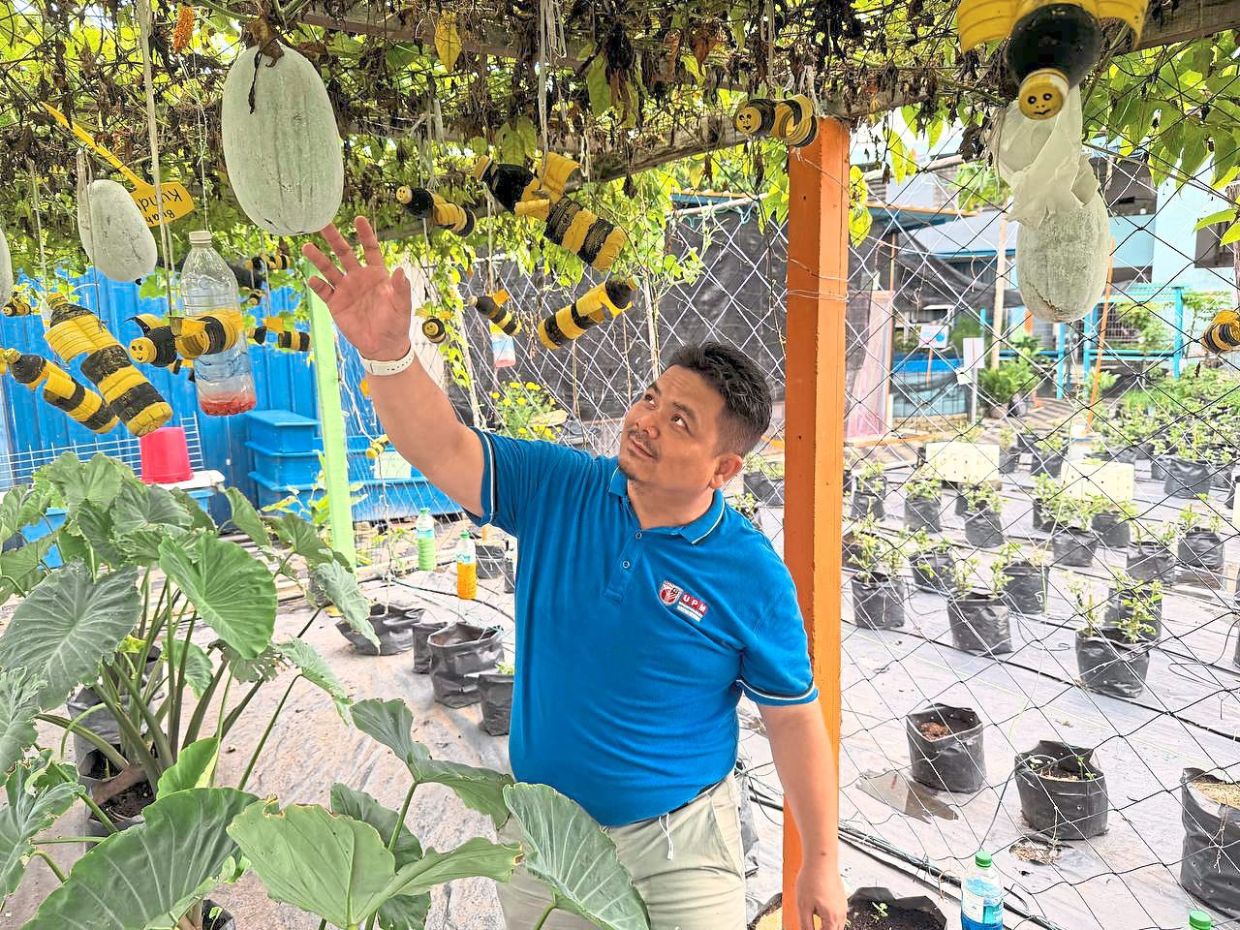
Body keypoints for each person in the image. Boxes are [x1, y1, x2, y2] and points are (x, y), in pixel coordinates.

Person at [303, 217, 848, 930]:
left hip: (678, 845)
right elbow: (441, 449)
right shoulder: (561, 486)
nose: (646, 420)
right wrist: (389, 355)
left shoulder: (750, 574)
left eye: (681, 421)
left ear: (724, 468)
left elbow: (793, 717)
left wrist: (821, 860)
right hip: (546, 838)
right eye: (652, 397)